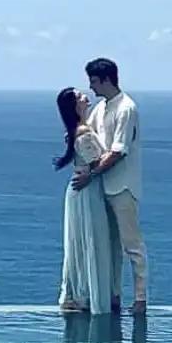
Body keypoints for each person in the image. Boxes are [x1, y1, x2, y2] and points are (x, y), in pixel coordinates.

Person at [71, 58, 148, 315]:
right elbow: (88, 137)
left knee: (131, 244)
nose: (91, 87)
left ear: (106, 80)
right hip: (102, 187)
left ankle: (140, 298)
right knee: (109, 245)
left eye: (94, 81)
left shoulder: (126, 108)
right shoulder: (101, 108)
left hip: (122, 186)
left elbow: (118, 151)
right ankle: (113, 295)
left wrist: (91, 175)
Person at [53, 87, 114, 313]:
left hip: (81, 190)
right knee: (91, 240)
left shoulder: (78, 130)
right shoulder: (83, 132)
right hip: (86, 191)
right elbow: (98, 161)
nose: (85, 97)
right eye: (79, 97)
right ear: (75, 105)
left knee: (79, 242)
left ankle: (77, 294)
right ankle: (85, 296)